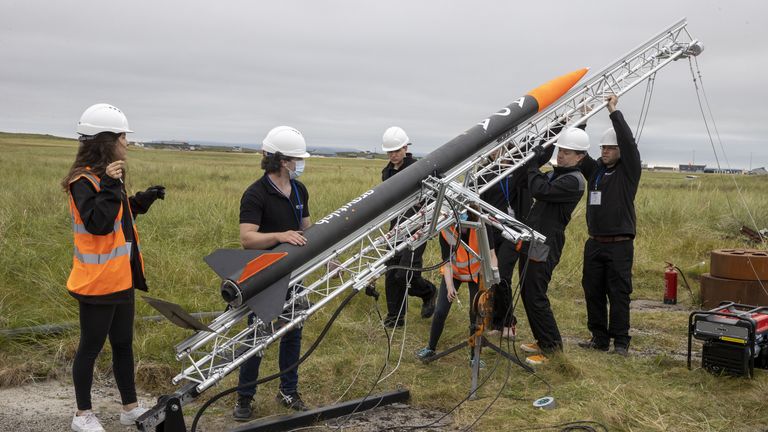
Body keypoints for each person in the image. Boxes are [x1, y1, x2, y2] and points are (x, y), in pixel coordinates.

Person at [63, 103, 165, 432]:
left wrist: (139, 201)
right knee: (90, 347)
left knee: (123, 345)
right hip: (97, 283)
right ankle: (82, 415)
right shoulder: (84, 181)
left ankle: (130, 408)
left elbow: (118, 215)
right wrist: (109, 186)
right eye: (123, 137)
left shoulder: (109, 178)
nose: (127, 143)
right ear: (107, 140)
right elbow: (98, 224)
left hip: (120, 278)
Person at [234, 126, 311, 420]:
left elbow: (306, 230)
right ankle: (244, 397)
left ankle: (288, 391)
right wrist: (281, 236)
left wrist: (328, 256)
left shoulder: (299, 189)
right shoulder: (256, 194)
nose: (300, 164)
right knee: (257, 335)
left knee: (293, 332)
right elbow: (247, 238)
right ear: (282, 160)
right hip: (264, 275)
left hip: (295, 274)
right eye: (296, 158)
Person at [517, 128, 589, 366]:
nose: (561, 156)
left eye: (568, 153)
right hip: (536, 239)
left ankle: (552, 348)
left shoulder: (572, 180)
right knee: (527, 290)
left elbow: (540, 189)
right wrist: (536, 159)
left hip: (546, 242)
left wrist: (533, 167)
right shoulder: (557, 174)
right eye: (560, 151)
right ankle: (542, 339)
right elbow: (531, 183)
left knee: (536, 293)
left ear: (580, 157)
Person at [578, 95, 641, 356]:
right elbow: (578, 153)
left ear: (620, 151)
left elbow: (627, 140)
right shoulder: (596, 172)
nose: (604, 151)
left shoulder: (629, 171)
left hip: (619, 246)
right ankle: (599, 338)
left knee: (618, 294)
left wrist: (613, 111)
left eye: (610, 148)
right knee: (592, 291)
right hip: (595, 243)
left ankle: (621, 342)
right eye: (603, 147)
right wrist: (582, 120)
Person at [415, 210, 497, 365]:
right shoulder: (446, 229)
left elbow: (492, 255)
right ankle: (430, 348)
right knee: (440, 311)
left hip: (476, 274)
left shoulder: (482, 226)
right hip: (454, 274)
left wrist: (491, 278)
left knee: (476, 313)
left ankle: (475, 356)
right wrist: (450, 285)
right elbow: (446, 261)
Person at [380, 126, 437, 327]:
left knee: (406, 274)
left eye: (397, 150)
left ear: (406, 147)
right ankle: (395, 318)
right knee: (391, 272)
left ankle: (429, 292)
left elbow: (436, 196)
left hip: (417, 229)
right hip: (395, 228)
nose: (393, 155)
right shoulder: (386, 172)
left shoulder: (420, 169)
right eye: (390, 151)